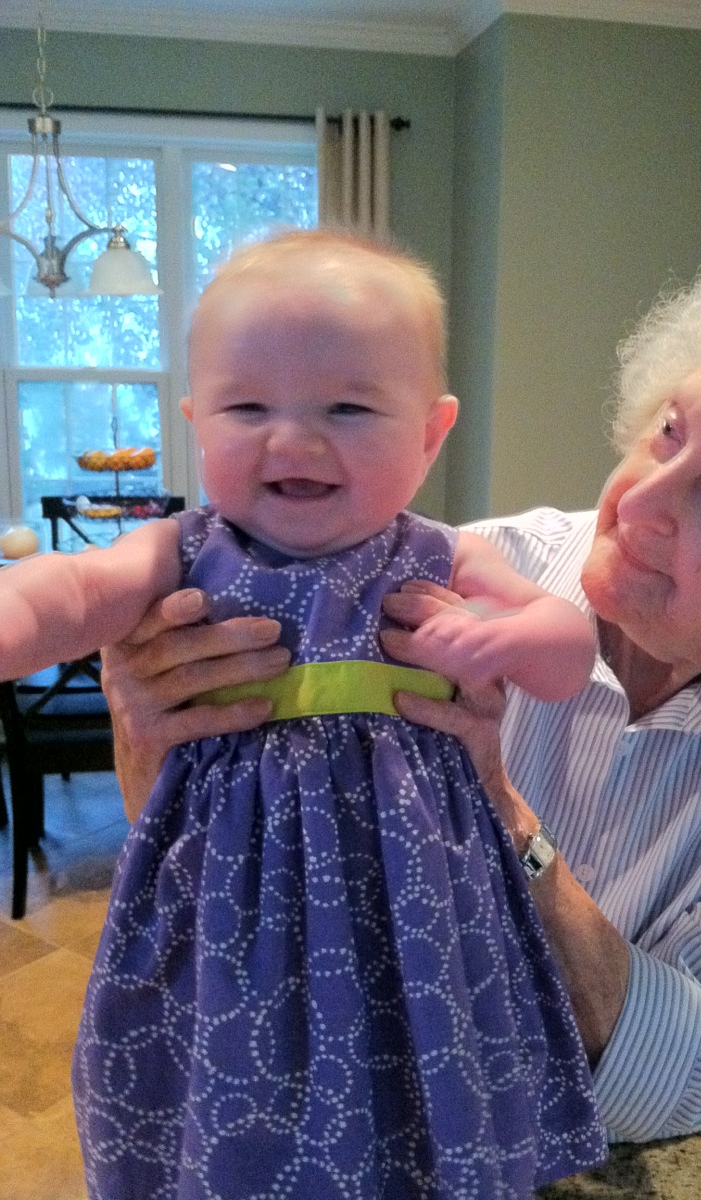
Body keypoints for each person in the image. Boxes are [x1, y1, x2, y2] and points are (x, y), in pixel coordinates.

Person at [103, 225, 701, 1148]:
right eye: (668, 432)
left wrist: (497, 809)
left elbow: (696, 1078)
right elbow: (231, 894)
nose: (637, 500)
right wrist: (155, 737)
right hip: (418, 1113)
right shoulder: (430, 582)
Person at [0, 230, 608, 1198]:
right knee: (234, 1084)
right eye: (247, 407)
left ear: (431, 434)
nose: (291, 440)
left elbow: (568, 648)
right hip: (229, 910)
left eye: (348, 407)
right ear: (197, 421)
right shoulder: (179, 552)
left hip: (420, 907)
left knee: (422, 1079)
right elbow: (65, 592)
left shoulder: (442, 558)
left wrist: (496, 638)